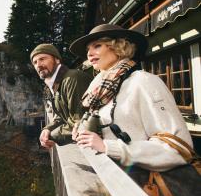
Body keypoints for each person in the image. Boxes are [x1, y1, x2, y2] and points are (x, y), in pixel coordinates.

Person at [69, 24, 193, 171]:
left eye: (97, 46)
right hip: (111, 178)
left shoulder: (143, 81)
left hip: (144, 185)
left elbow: (178, 148)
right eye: (88, 49)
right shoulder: (97, 89)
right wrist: (82, 129)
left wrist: (108, 147)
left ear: (118, 47)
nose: (89, 54)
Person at [30, 44, 92, 148]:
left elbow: (80, 120)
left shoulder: (72, 79)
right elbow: (62, 114)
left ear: (57, 60)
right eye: (35, 62)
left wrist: (52, 136)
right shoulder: (55, 83)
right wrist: (47, 128)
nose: (38, 65)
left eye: (42, 59)